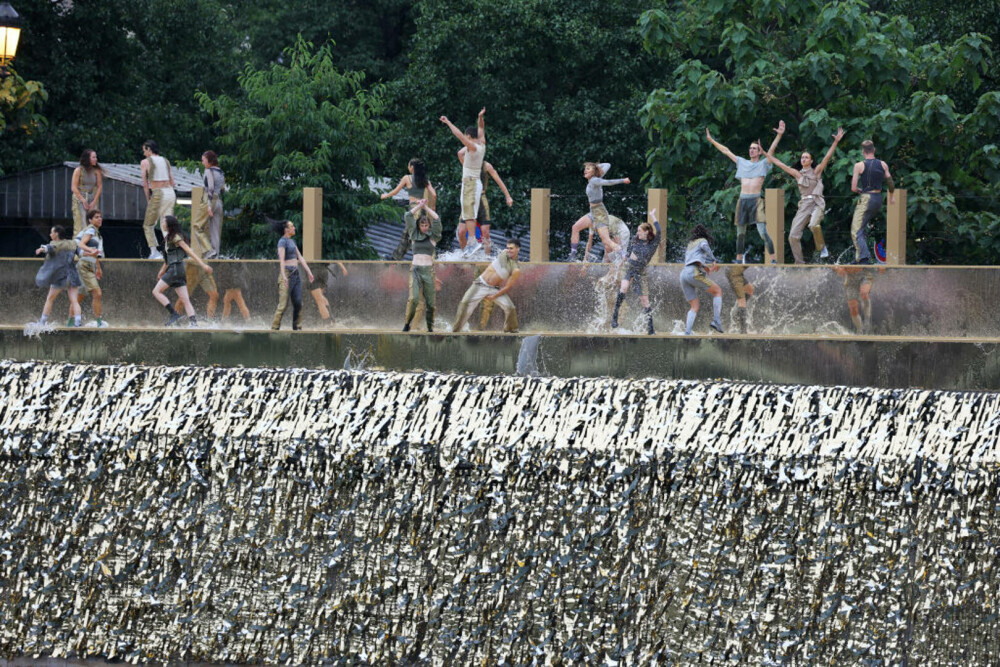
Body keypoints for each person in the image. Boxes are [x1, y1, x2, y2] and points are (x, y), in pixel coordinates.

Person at [706, 121, 785, 263]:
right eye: (750, 148)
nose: (752, 150)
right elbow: (726, 151)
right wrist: (712, 141)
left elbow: (771, 151)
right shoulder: (741, 162)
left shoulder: (763, 164)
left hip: (756, 200)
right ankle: (738, 258)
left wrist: (779, 135)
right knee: (740, 233)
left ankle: (773, 258)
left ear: (760, 151)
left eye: (755, 148)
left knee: (762, 232)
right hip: (742, 200)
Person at [764, 127, 844, 263]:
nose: (803, 159)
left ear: (811, 161)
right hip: (804, 205)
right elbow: (780, 164)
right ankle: (799, 263)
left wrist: (835, 142)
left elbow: (827, 157)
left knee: (813, 225)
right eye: (802, 157)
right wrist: (766, 154)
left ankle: (822, 247)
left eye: (806, 157)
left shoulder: (816, 171)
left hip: (817, 203)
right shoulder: (797, 174)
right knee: (792, 236)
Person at [440, 108, 486, 255]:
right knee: (466, 214)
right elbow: (481, 127)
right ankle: (468, 246)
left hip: (471, 183)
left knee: (470, 214)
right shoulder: (482, 143)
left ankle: (473, 242)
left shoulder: (473, 147)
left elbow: (459, 135)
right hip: (470, 182)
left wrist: (448, 122)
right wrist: (480, 117)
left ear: (468, 136)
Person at [153, 216, 212, 327]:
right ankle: (194, 323)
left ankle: (174, 314)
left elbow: (189, 251)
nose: (162, 223)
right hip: (178, 269)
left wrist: (203, 265)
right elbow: (168, 260)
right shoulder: (169, 238)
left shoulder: (175, 237)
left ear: (169, 224)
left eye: (164, 221)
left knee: (156, 291)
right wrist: (161, 272)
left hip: (175, 269)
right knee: (185, 299)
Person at [611, 209, 662, 335]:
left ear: (646, 232)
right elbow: (629, 251)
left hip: (640, 272)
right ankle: (614, 317)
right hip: (629, 268)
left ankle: (651, 329)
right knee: (623, 288)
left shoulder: (653, 243)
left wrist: (653, 216)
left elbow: (659, 230)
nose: (637, 232)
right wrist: (624, 258)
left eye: (640, 230)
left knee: (645, 300)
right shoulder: (636, 239)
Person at [453, 238, 521, 333]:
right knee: (464, 304)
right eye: (508, 248)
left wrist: (494, 296)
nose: (508, 250)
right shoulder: (504, 253)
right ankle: (455, 331)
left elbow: (507, 287)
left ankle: (511, 331)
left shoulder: (516, 269)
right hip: (480, 284)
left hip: (495, 289)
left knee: (510, 307)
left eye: (511, 248)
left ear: (518, 249)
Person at [568, 163, 631, 261]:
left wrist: (622, 180)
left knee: (607, 241)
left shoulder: (594, 180)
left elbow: (608, 182)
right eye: (585, 169)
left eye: (588, 169)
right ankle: (572, 255)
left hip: (600, 213)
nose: (585, 170)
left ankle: (623, 254)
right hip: (592, 212)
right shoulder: (595, 178)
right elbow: (608, 165)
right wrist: (596, 165)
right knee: (575, 227)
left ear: (593, 172)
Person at [457, 148, 514, 256]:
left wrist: (508, 196)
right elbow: (460, 153)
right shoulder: (467, 164)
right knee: (461, 232)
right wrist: (472, 143)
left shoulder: (486, 165)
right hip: (469, 199)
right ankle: (465, 255)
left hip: (481, 199)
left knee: (485, 232)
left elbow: (498, 180)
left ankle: (487, 259)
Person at [382, 158, 437, 261]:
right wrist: (432, 208)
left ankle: (397, 258)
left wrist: (385, 195)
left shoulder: (407, 178)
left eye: (408, 165)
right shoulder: (425, 180)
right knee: (418, 234)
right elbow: (434, 195)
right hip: (423, 210)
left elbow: (395, 192)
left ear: (412, 167)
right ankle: (398, 257)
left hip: (414, 209)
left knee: (408, 235)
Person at [850, 140, 895, 265]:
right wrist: (891, 197)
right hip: (878, 199)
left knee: (856, 230)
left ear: (863, 151)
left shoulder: (859, 165)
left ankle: (863, 258)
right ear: (874, 150)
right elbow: (890, 183)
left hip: (866, 198)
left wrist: (861, 191)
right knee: (861, 228)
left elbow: (853, 188)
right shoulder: (883, 164)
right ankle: (860, 257)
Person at [402, 199, 443, 332]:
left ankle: (430, 327)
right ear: (419, 226)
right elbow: (408, 216)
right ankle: (407, 323)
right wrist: (419, 206)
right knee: (413, 299)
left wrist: (426, 206)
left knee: (430, 304)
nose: (425, 227)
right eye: (422, 225)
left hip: (428, 272)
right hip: (415, 270)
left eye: (426, 225)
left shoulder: (433, 237)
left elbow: (437, 218)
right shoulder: (414, 235)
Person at [271, 219, 315, 331]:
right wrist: (284, 276)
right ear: (286, 230)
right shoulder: (282, 242)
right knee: (283, 305)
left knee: (298, 303)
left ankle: (297, 328)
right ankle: (274, 329)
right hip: (287, 273)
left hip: (296, 274)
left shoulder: (292, 242)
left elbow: (300, 257)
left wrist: (309, 272)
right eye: (292, 226)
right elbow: (281, 260)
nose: (294, 228)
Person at [34, 225, 82, 327]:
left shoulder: (55, 243)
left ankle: (42, 322)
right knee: (74, 300)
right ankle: (78, 322)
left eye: (52, 232)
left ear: (56, 234)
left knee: (50, 299)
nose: (50, 234)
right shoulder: (72, 243)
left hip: (60, 277)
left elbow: (50, 248)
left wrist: (42, 249)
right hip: (72, 275)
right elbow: (81, 252)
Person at [679, 224, 724, 335]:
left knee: (694, 306)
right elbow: (704, 246)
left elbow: (693, 259)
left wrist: (704, 267)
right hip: (693, 273)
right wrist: (714, 260)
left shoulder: (690, 244)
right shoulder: (702, 240)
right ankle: (717, 321)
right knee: (718, 291)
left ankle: (687, 332)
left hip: (684, 274)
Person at [140, 140, 176, 260]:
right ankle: (170, 250)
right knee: (166, 223)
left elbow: (145, 184)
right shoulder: (166, 161)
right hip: (170, 192)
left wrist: (148, 198)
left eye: (144, 150)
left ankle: (154, 252)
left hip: (158, 192)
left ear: (149, 149)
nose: (143, 152)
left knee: (148, 224)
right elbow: (173, 182)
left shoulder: (145, 162)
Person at [191, 150, 226, 259]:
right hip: (219, 201)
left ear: (209, 161)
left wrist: (209, 205)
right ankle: (216, 254)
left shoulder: (208, 171)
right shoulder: (221, 172)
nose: (202, 162)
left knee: (196, 225)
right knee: (215, 230)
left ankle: (208, 250)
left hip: (209, 199)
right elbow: (223, 189)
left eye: (203, 160)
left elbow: (210, 188)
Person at [75, 208, 106, 327]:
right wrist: (91, 250)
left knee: (80, 295)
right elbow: (82, 244)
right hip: (85, 266)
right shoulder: (91, 230)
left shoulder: (95, 232)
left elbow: (95, 254)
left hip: (89, 265)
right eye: (96, 217)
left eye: (100, 216)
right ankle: (99, 322)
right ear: (90, 220)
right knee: (97, 293)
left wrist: (98, 268)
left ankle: (71, 322)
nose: (100, 219)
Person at [834, 265, 881, 334]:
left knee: (864, 293)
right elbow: (833, 264)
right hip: (850, 278)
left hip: (864, 274)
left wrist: (881, 266)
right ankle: (859, 330)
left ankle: (867, 321)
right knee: (853, 308)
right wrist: (837, 268)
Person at [71, 149, 103, 235]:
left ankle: (93, 242)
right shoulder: (78, 170)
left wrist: (94, 201)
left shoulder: (97, 171)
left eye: (96, 157)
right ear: (87, 158)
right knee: (81, 222)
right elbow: (74, 187)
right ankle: (79, 244)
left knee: (94, 221)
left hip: (92, 196)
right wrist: (83, 200)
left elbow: (99, 186)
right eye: (93, 157)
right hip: (80, 197)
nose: (96, 159)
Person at [726, 264, 755, 334]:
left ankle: (737, 311)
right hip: (733, 273)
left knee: (750, 290)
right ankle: (743, 330)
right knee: (741, 300)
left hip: (737, 273)